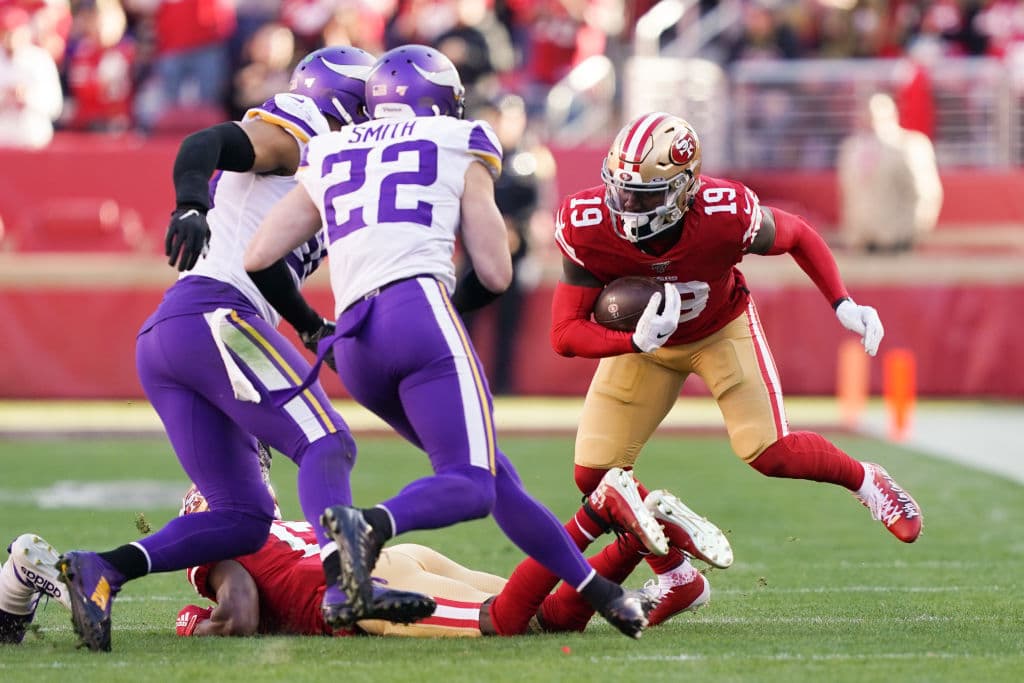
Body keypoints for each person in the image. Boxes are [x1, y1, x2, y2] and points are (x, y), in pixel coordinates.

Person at [244, 44, 651, 639]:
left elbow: (260, 256)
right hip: (417, 315)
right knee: (471, 484)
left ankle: (597, 589)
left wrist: (311, 325)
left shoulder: (328, 148)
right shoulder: (460, 137)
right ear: (444, 100)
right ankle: (368, 525)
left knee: (491, 472)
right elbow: (496, 271)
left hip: (355, 340)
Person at [55, 46, 434, 654]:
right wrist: (190, 203)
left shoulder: (321, 166)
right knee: (328, 442)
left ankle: (104, 569)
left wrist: (310, 327)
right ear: (346, 105)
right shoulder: (302, 129)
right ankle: (347, 583)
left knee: (242, 514)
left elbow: (264, 261)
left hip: (175, 333)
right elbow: (206, 143)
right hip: (215, 316)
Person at [548, 112, 924, 621]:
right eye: (621, 189)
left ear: (684, 189)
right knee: (596, 476)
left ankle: (866, 480)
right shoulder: (588, 221)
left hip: (720, 329)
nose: (627, 205)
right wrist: (628, 339)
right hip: (643, 348)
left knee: (771, 452)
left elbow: (796, 235)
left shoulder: (724, 212)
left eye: (644, 194)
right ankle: (677, 577)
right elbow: (564, 333)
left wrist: (842, 302)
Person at [1, 467, 729, 643]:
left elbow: (246, 610)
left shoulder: (215, 546)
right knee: (556, 612)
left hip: (365, 587)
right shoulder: (268, 521)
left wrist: (199, 620)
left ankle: (602, 508)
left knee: (506, 621)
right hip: (390, 556)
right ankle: (643, 537)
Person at [837, 92, 943, 253]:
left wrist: (913, 232)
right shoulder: (852, 148)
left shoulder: (908, 145)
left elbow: (924, 193)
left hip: (897, 240)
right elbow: (849, 194)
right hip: (862, 241)